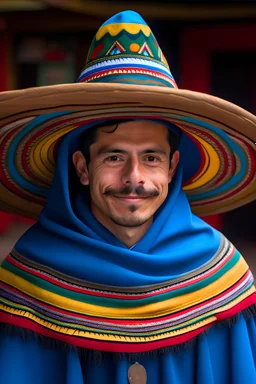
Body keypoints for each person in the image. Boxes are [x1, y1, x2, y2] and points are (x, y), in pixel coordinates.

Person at [0, 10, 256, 384]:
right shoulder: (27, 281)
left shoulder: (223, 277)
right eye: (114, 156)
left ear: (173, 169)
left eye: (151, 158)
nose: (133, 178)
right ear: (82, 167)